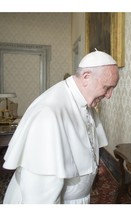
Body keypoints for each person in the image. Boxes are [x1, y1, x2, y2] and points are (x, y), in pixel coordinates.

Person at [2, 49, 120, 204]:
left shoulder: (84, 101)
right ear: (86, 77)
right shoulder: (49, 113)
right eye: (107, 87)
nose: (109, 95)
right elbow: (40, 194)